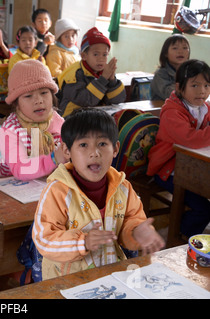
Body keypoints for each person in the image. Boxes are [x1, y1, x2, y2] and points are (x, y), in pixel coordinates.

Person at [32, 108, 165, 280]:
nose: (94, 153)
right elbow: (45, 238)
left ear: (115, 148)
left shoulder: (123, 188)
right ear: (66, 151)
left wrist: (136, 232)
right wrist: (82, 242)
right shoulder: (57, 191)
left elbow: (131, 220)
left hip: (110, 275)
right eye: (83, 145)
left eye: (102, 144)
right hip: (67, 281)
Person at [147, 59, 210, 238]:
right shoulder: (173, 112)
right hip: (167, 170)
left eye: (207, 85)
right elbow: (190, 139)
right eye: (195, 85)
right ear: (179, 87)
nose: (202, 91)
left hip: (192, 166)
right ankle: (180, 236)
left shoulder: (203, 107)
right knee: (203, 209)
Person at [0, 59, 66, 180]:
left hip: (47, 185)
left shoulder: (57, 120)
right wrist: (54, 158)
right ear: (16, 103)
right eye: (28, 96)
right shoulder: (10, 130)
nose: (39, 100)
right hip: (11, 189)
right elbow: (20, 169)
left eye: (44, 92)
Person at [57, 27, 125, 116]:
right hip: (72, 119)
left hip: (94, 116)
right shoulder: (74, 74)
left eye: (104, 55)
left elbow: (118, 100)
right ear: (84, 56)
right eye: (96, 54)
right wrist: (103, 79)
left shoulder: (103, 71)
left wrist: (112, 80)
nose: (101, 59)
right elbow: (86, 101)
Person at [151, 34, 190, 101]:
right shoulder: (160, 74)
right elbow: (171, 95)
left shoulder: (191, 72)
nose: (180, 51)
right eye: (175, 48)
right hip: (163, 109)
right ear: (166, 53)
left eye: (185, 48)